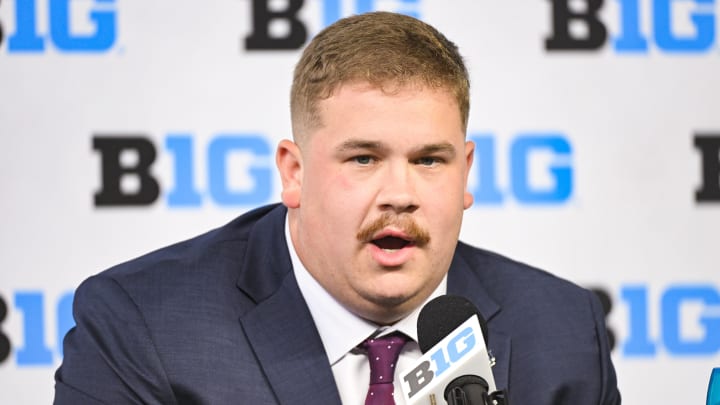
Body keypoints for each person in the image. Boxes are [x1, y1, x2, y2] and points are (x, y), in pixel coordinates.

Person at [54, 11, 621, 405]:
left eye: (429, 161)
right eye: (364, 159)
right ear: (294, 173)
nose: (400, 193)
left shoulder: (563, 332)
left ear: (466, 173)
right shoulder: (148, 326)